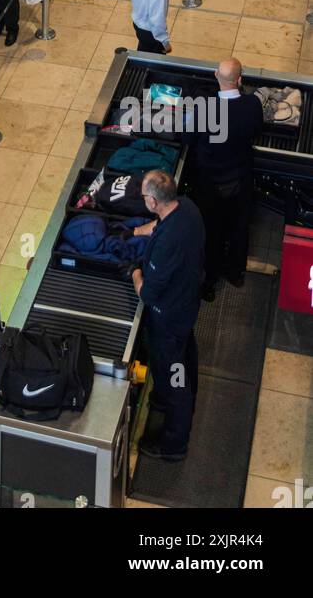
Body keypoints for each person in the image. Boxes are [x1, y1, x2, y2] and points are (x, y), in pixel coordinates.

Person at [132, 171, 205, 462]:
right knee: (184, 354)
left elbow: (148, 293)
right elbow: (160, 225)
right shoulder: (187, 207)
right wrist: (138, 231)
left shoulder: (167, 245)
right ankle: (165, 396)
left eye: (143, 196)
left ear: (152, 200)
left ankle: (174, 444)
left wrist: (135, 273)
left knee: (176, 376)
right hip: (186, 306)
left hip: (170, 317)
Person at [183, 58, 262, 302]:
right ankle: (236, 272)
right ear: (240, 80)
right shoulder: (252, 106)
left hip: (210, 184)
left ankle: (209, 281)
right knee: (239, 226)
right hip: (240, 179)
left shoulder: (205, 109)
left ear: (216, 75)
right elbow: (256, 130)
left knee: (212, 231)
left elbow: (187, 137)